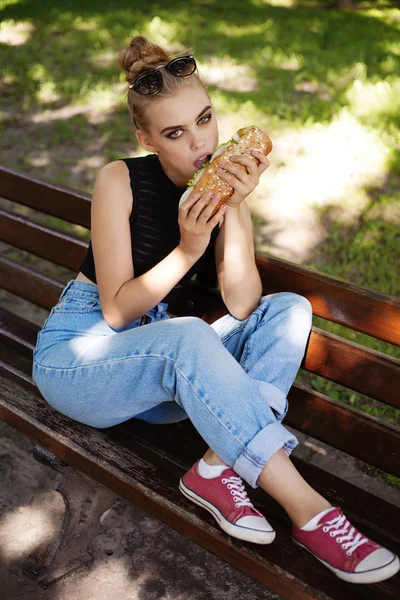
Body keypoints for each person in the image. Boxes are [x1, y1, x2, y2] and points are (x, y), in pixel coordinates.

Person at [32, 35, 399, 585]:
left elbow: (242, 302)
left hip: (163, 379)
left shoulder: (219, 192)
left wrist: (237, 208)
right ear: (146, 138)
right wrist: (187, 249)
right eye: (175, 133)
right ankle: (312, 513)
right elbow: (115, 311)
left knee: (288, 308)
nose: (200, 142)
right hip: (81, 359)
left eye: (205, 120)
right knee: (185, 336)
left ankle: (216, 466)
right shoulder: (119, 179)